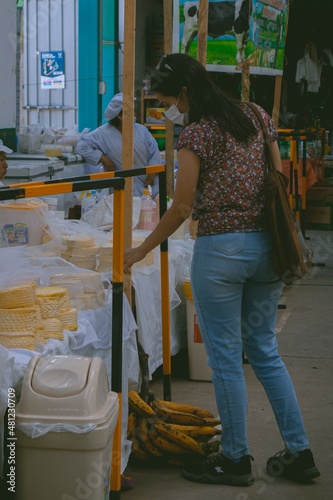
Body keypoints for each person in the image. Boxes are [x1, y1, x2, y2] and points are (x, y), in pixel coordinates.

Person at [124, 54, 320, 487]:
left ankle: (234, 459)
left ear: (187, 93)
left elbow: (182, 205)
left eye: (169, 101)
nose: (168, 111)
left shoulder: (198, 133)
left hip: (221, 252)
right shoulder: (255, 114)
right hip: (269, 249)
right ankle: (300, 451)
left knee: (226, 359)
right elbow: (278, 174)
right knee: (265, 351)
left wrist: (140, 249)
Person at [75, 92, 161, 198]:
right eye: (131, 112)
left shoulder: (141, 130)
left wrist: (153, 170)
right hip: (124, 190)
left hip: (149, 186)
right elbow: (81, 146)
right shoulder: (103, 133)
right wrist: (103, 159)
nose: (135, 115)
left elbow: (154, 151)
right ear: (120, 115)